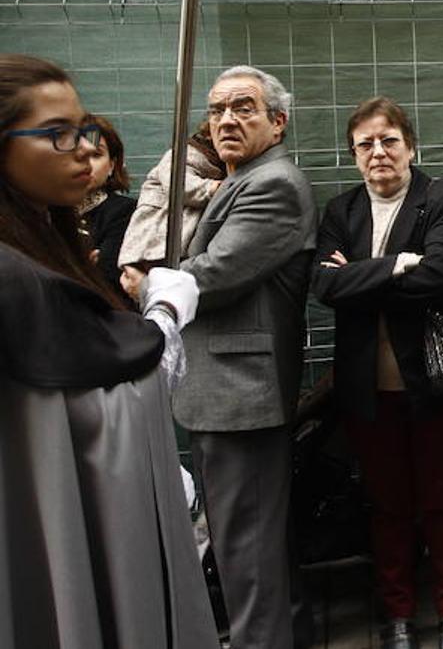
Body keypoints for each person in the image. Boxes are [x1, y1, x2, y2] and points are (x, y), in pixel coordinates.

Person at [0, 53, 217, 648]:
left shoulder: (48, 241)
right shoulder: (14, 276)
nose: (81, 148)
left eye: (85, 128)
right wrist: (166, 314)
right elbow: (102, 406)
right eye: (56, 134)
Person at [123, 64, 317, 649]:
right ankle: (289, 631)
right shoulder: (238, 180)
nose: (226, 119)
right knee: (256, 544)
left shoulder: (273, 183)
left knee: (244, 551)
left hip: (242, 397)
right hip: (225, 394)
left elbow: (215, 274)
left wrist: (147, 287)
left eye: (243, 107)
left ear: (277, 123)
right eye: (216, 110)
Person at [311, 97, 443, 649]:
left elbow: (442, 278)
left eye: (389, 141)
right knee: (387, 509)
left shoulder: (441, 197)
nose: (378, 152)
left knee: (441, 502)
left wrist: (359, 275)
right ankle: (398, 617)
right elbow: (324, 286)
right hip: (367, 388)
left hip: (433, 382)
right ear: (354, 155)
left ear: (410, 147)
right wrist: (399, 265)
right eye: (365, 144)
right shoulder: (341, 210)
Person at [119, 120, 225, 270]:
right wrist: (213, 188)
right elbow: (178, 183)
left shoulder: (221, 164)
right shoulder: (182, 154)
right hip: (154, 239)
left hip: (180, 248)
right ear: (208, 135)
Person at [79, 113, 136, 304]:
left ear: (112, 165)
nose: (86, 163)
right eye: (76, 153)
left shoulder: (124, 212)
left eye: (96, 155)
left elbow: (107, 280)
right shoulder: (43, 210)